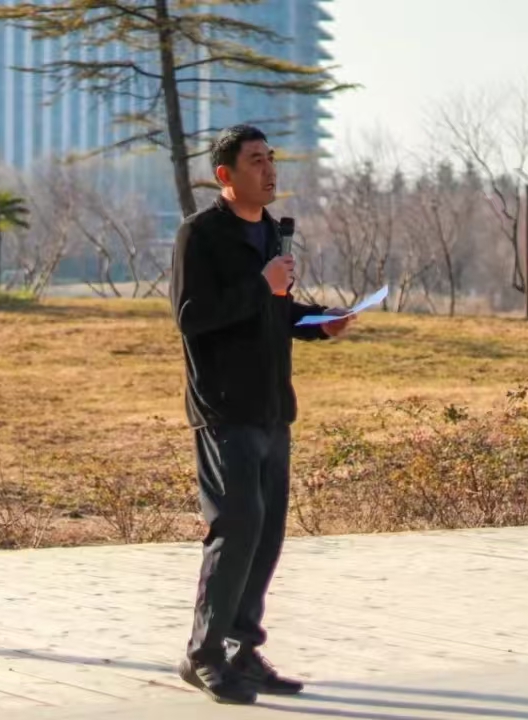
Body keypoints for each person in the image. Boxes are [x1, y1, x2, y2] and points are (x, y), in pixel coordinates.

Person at [169, 125, 354, 705]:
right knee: (237, 526)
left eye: (271, 159)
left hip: (273, 407)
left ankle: (242, 650)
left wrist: (317, 322)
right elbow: (191, 316)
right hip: (225, 408)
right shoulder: (200, 234)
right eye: (255, 161)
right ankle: (203, 655)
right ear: (225, 175)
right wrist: (262, 284)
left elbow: (272, 311)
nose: (269, 170)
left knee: (267, 531)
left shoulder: (272, 231)